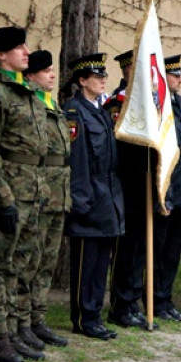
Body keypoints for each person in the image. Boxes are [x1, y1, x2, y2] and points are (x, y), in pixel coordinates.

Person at [0, 26, 49, 362]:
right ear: (1, 55)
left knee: (24, 264)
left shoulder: (28, 93)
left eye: (25, 46)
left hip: (33, 191)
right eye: (18, 48)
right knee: (0, 267)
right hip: (10, 193)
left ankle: (19, 327)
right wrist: (3, 197)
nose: (25, 51)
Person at [65, 53, 125, 340]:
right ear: (82, 81)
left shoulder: (101, 110)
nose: (103, 80)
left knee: (102, 261)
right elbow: (78, 162)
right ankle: (83, 317)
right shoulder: (75, 112)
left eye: (104, 76)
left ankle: (95, 315)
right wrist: (81, 200)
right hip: (89, 196)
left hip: (107, 195)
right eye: (97, 77)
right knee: (86, 262)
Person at [22, 50, 70, 348]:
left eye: (53, 70)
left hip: (58, 193)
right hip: (38, 192)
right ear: (31, 76)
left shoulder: (53, 105)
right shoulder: (32, 105)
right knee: (31, 259)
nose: (52, 75)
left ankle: (39, 318)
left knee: (47, 262)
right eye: (46, 71)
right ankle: (24, 320)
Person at [106, 48, 157, 329]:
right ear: (128, 72)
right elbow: (121, 147)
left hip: (145, 184)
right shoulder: (119, 104)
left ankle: (133, 300)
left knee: (139, 248)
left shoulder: (148, 102)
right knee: (126, 250)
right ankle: (120, 304)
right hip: (127, 183)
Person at [150, 54, 181, 322]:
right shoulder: (157, 106)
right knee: (158, 249)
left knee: (172, 252)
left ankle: (166, 298)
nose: (180, 79)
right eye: (175, 75)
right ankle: (154, 299)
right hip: (164, 191)